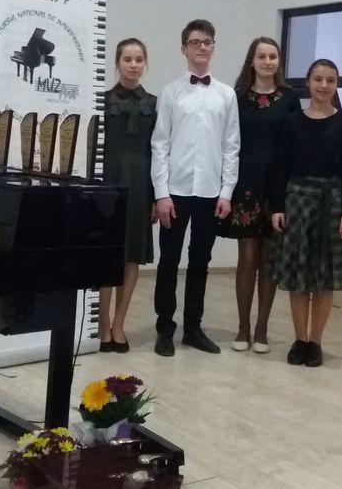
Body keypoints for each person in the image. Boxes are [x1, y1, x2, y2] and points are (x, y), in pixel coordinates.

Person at [150, 19, 240, 357]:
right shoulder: (171, 92)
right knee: (169, 260)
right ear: (184, 49)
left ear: (213, 47)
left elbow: (231, 146)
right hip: (175, 191)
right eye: (195, 42)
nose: (202, 47)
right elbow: (160, 144)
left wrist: (226, 192)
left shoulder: (226, 94)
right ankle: (164, 329)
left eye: (207, 42)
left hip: (210, 192)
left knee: (201, 261)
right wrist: (161, 193)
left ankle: (193, 329)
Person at [269, 58, 342, 367]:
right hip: (297, 199)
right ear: (307, 82)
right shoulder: (292, 122)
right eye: (318, 79)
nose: (324, 85)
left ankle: (316, 342)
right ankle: (299, 339)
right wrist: (277, 207)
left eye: (330, 80)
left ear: (336, 85)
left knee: (324, 279)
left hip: (331, 202)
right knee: (298, 277)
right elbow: (281, 167)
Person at [217, 37, 301, 354]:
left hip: (278, 186)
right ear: (251, 61)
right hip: (245, 183)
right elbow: (228, 143)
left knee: (269, 261)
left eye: (272, 56)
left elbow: (294, 144)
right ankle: (242, 327)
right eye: (261, 56)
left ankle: (262, 329)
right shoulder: (237, 97)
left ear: (279, 61)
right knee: (248, 259)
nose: (267, 61)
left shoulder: (290, 99)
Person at [98, 38, 158, 354]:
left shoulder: (154, 104)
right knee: (107, 254)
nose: (133, 65)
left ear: (145, 64)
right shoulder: (102, 101)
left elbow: (160, 152)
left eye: (138, 59)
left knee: (132, 255)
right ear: (117, 63)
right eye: (127, 59)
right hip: (108, 183)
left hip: (141, 185)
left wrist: (156, 196)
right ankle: (102, 323)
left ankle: (119, 324)